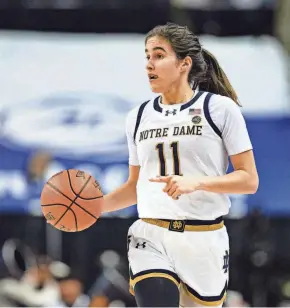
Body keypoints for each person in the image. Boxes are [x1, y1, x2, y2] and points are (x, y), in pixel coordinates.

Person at [102, 22, 259, 307]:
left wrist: (196, 182)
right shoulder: (137, 117)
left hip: (204, 239)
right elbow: (134, 187)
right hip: (151, 233)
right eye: (147, 56)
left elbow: (249, 180)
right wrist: (91, 208)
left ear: (184, 63)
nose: (149, 64)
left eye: (159, 55)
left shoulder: (220, 109)